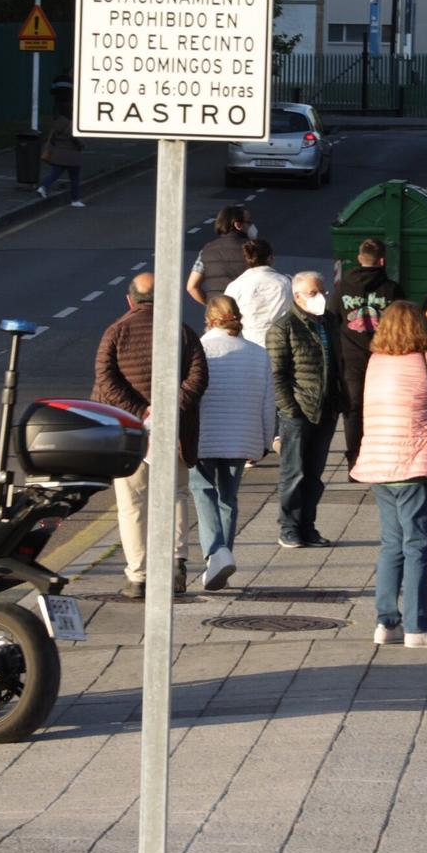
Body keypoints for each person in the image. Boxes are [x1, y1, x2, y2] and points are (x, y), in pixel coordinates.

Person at [353, 302, 427, 649]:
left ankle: (386, 623)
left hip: (379, 463)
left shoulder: (375, 363)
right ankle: (418, 627)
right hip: (416, 463)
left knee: (392, 545)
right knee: (418, 546)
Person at [95, 276, 209, 600]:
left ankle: (139, 575)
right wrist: (170, 408)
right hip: (174, 433)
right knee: (175, 496)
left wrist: (139, 410)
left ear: (130, 300)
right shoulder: (183, 332)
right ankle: (176, 566)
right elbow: (199, 377)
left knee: (132, 506)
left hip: (128, 433)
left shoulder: (115, 332)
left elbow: (105, 379)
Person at [192, 296, 275, 591]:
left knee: (202, 491)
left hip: (204, 436)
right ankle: (222, 558)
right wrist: (266, 439)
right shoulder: (257, 353)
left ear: (210, 320)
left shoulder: (200, 350)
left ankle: (216, 553)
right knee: (229, 497)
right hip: (242, 436)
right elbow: (268, 403)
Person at [268, 273, 340, 549]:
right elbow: (277, 375)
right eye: (312, 292)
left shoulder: (330, 322)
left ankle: (308, 526)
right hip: (298, 411)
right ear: (297, 297)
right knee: (293, 472)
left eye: (322, 291)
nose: (320, 296)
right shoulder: (283, 327)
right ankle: (289, 528)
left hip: (327, 408)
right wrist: (290, 409)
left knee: (314, 474)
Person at [335, 237, 403, 468]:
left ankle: (355, 461)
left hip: (351, 356)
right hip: (384, 357)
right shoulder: (392, 289)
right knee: (383, 409)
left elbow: (333, 318)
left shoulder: (343, 286)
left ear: (358, 259)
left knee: (353, 409)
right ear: (382, 260)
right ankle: (380, 457)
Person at [223, 237, 292, 348]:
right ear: (270, 258)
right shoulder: (286, 282)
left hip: (247, 343)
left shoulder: (235, 286)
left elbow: (227, 315)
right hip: (281, 341)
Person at [186, 206, 254, 307]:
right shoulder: (254, 249)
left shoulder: (206, 250)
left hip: (219, 315)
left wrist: (212, 306)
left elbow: (191, 287)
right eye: (249, 222)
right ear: (238, 225)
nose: (252, 226)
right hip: (248, 311)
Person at [35, 112, 85, 206]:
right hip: (72, 156)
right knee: (74, 179)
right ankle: (75, 200)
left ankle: (43, 187)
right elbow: (77, 140)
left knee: (54, 174)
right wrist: (82, 145)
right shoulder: (72, 125)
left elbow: (51, 139)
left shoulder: (57, 124)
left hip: (58, 155)